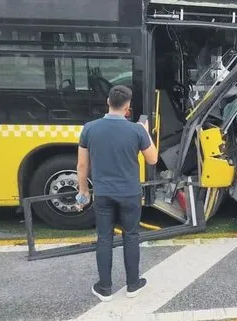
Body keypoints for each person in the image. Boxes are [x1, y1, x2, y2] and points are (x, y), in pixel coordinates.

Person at [76, 85, 158, 302]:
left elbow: (82, 165)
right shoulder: (137, 130)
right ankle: (133, 285)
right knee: (131, 236)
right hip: (130, 194)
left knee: (104, 238)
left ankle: (104, 288)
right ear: (128, 107)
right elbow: (153, 159)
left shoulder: (89, 129)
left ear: (108, 102)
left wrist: (83, 191)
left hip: (103, 194)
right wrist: (145, 131)